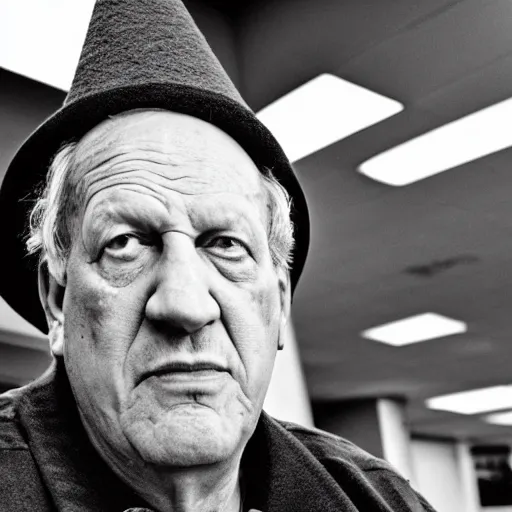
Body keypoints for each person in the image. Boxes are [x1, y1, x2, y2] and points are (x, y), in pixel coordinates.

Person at [0, 0, 437, 510]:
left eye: (225, 244)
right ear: (57, 299)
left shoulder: (377, 500)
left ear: (279, 304)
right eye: (125, 244)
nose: (185, 306)